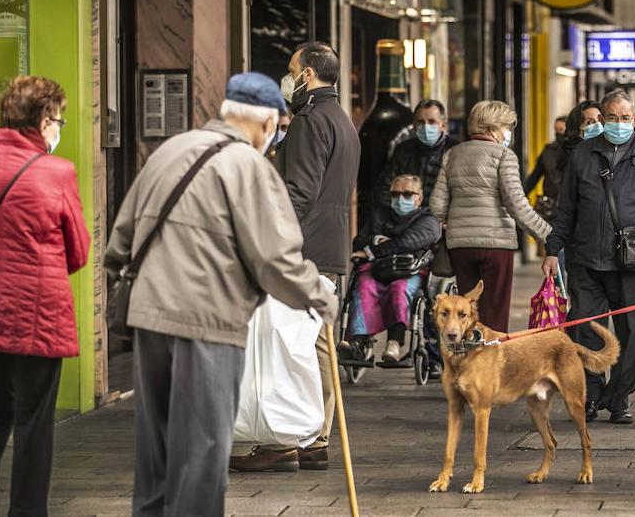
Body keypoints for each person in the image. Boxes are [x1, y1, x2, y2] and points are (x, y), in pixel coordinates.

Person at [104, 73, 339, 516]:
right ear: (268, 120)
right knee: (205, 446)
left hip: (149, 319)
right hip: (208, 323)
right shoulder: (250, 167)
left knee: (156, 445)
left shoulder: (168, 151)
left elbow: (119, 242)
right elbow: (276, 261)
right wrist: (322, 299)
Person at [232, 42, 359, 473]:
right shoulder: (341, 119)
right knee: (317, 344)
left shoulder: (310, 120)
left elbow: (298, 192)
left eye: (292, 70)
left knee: (291, 346)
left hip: (302, 248)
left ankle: (289, 438)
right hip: (327, 245)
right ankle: (313, 438)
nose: (288, 78)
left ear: (308, 75)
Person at [544, 90, 635, 425]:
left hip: (631, 263)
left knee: (633, 335)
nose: (618, 124)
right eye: (612, 118)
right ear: (603, 119)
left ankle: (618, 397)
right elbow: (566, 209)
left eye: (625, 118)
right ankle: (590, 395)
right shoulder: (583, 155)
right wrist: (551, 249)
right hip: (586, 259)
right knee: (585, 332)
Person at [0, 76, 90, 517]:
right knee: (33, 425)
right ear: (45, 120)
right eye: (59, 119)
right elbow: (79, 251)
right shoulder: (56, 172)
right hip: (36, 319)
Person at [430, 100, 551, 332]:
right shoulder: (504, 156)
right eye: (507, 127)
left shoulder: (453, 154)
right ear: (495, 127)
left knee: (468, 312)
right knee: (495, 316)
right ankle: (491, 365)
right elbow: (517, 204)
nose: (508, 133)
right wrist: (547, 234)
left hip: (461, 246)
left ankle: (469, 363)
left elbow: (437, 206)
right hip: (496, 246)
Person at [339, 174, 443, 366]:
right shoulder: (380, 214)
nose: (400, 199)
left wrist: (372, 249)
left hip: (408, 270)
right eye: (395, 194)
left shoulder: (428, 221)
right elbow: (359, 241)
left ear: (419, 197)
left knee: (399, 290)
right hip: (376, 269)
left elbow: (407, 243)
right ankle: (358, 342)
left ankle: (394, 343)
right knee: (364, 286)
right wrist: (378, 241)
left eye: (406, 194)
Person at [375, 99, 458, 209]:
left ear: (443, 125)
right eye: (421, 122)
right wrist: (398, 210)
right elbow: (383, 188)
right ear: (414, 126)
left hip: (441, 222)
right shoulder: (403, 150)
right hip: (406, 220)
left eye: (432, 122)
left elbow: (463, 194)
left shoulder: (455, 151)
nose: (426, 127)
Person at [524, 116, 567, 258]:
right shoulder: (548, 151)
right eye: (556, 130)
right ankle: (557, 279)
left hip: (570, 207)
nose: (559, 133)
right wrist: (520, 194)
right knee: (555, 251)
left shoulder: (578, 151)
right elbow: (534, 177)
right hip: (551, 207)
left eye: (562, 130)